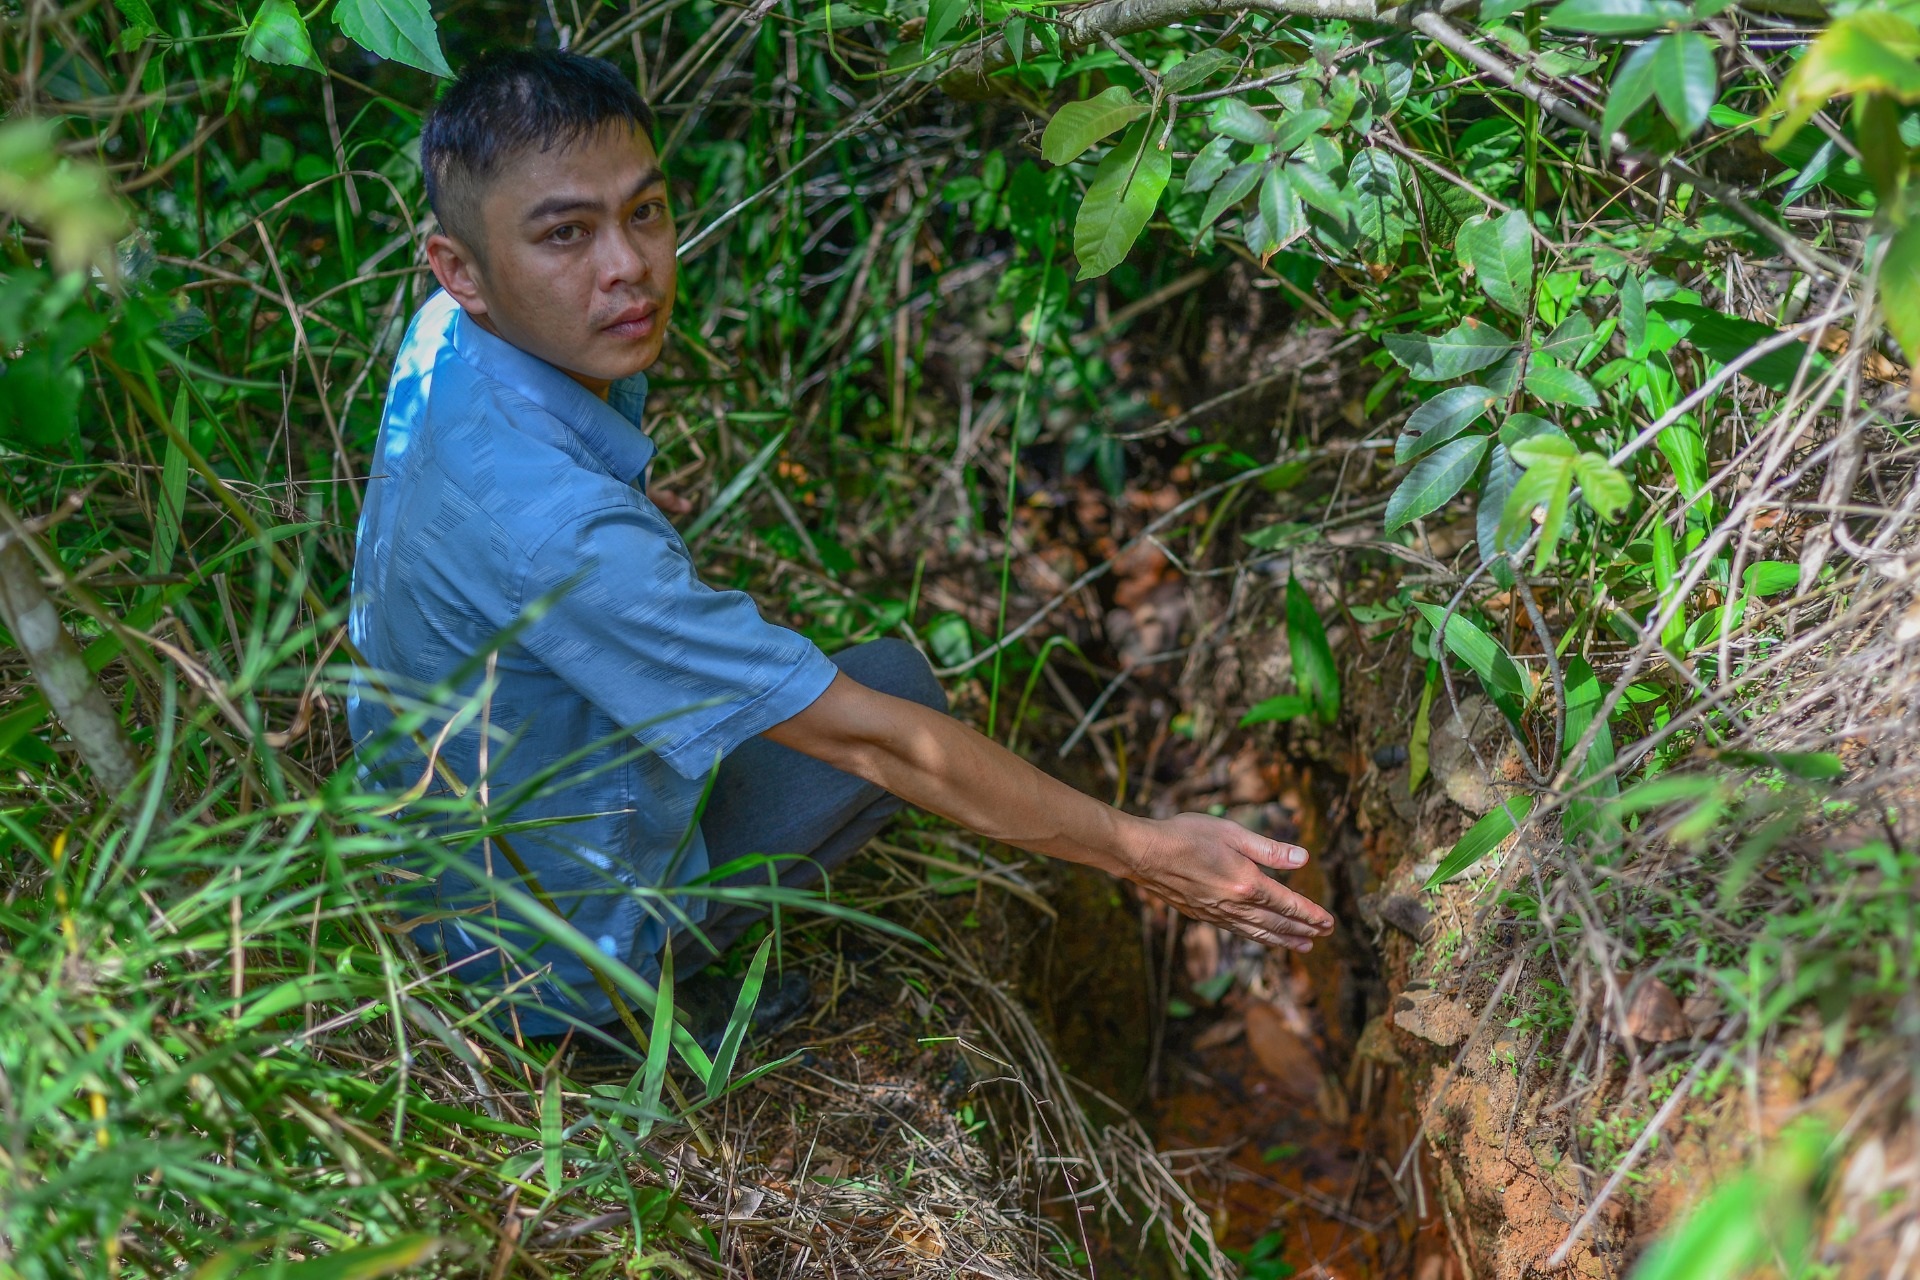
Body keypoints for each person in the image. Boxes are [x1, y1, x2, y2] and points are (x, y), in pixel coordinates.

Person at [347, 47, 1334, 1051]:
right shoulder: (561, 533)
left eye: (644, 211)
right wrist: (1142, 847)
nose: (628, 267)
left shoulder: (452, 342)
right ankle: (607, 1015)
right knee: (895, 690)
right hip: (529, 951)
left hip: (431, 843)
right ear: (458, 267)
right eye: (565, 233)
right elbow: (877, 740)